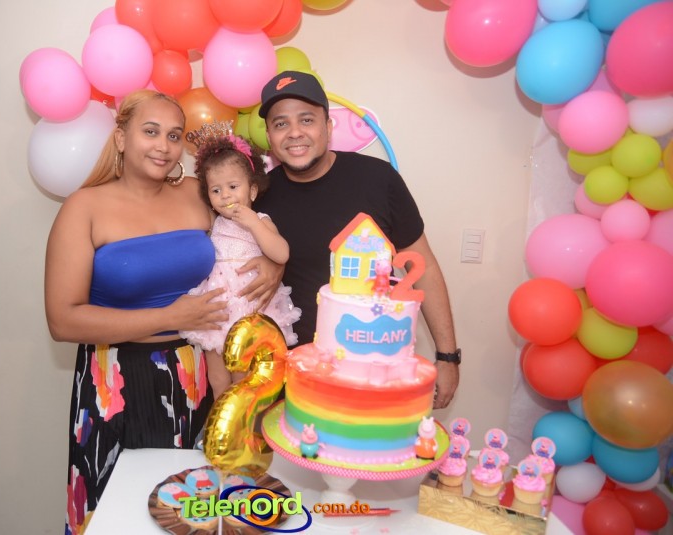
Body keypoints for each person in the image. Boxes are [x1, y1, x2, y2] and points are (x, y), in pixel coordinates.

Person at [44, 90, 229, 534]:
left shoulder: (198, 193)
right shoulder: (83, 207)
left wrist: (271, 263)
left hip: (196, 374)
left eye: (174, 136)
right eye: (151, 132)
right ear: (121, 137)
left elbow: (246, 241)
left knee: (193, 511)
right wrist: (170, 317)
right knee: (119, 514)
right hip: (114, 380)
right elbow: (62, 319)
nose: (164, 146)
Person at [252, 70, 461, 409]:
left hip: (371, 376)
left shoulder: (378, 180)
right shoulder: (259, 196)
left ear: (328, 126)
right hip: (290, 377)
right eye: (280, 124)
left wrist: (448, 356)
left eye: (307, 119)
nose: (294, 133)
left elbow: (424, 268)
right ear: (269, 136)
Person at [180, 122, 300, 399]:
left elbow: (281, 254)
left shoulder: (261, 220)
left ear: (252, 191)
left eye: (233, 187)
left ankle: (244, 422)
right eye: (216, 190)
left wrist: (254, 224)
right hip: (218, 308)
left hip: (249, 305)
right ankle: (220, 418)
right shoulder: (215, 222)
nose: (225, 196)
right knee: (217, 378)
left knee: (243, 377)